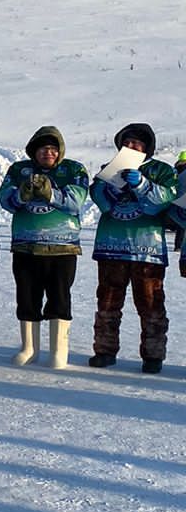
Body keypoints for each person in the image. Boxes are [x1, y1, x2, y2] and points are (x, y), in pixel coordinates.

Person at [87, 123, 177, 373]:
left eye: (138, 143)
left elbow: (161, 204)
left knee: (151, 304)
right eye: (127, 142)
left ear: (147, 147)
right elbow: (100, 201)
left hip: (147, 249)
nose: (132, 146)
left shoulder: (161, 170)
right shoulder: (108, 169)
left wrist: (141, 185)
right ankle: (104, 351)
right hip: (111, 247)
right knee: (107, 302)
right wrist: (108, 185)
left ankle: (153, 355)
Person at [0, 126, 89, 370]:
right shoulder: (19, 170)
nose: (48, 152)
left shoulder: (73, 169)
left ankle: (59, 352)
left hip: (62, 247)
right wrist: (22, 194)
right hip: (26, 246)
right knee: (27, 297)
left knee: (59, 297)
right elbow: (5, 199)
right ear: (34, 151)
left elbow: (75, 201)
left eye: (53, 148)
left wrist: (50, 193)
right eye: (43, 148)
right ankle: (29, 348)